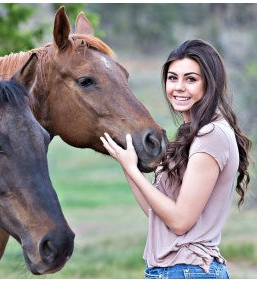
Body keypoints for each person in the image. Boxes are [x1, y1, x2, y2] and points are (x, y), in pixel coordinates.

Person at [100, 39, 252, 279]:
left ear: (210, 84)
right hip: (174, 270)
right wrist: (128, 167)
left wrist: (132, 169)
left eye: (190, 79)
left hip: (189, 271)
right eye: (173, 78)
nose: (178, 87)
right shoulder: (195, 132)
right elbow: (157, 215)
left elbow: (180, 222)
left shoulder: (211, 134)